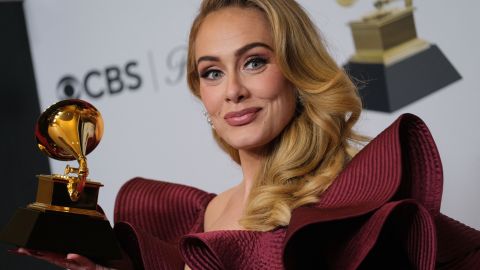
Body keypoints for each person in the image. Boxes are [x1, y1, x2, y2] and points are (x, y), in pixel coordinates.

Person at [14, 0, 480, 269]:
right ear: (201, 93)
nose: (233, 90)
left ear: (297, 71)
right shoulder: (195, 215)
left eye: (254, 62)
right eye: (212, 72)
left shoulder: (350, 204)